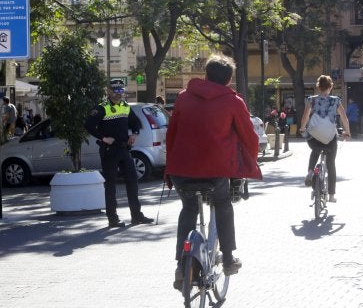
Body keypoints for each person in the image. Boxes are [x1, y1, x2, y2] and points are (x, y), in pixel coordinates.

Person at [165, 53, 262, 289]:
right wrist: (249, 159)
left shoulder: (183, 98)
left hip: (181, 168)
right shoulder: (233, 101)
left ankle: (181, 265)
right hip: (216, 169)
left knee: (188, 208)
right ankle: (228, 258)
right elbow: (249, 136)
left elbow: (172, 133)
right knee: (223, 204)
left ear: (205, 75)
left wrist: (169, 167)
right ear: (229, 80)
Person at [85, 78, 154, 228]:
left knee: (132, 181)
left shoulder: (125, 107)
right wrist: (103, 138)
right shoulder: (102, 108)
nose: (118, 93)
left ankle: (136, 216)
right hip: (110, 150)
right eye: (115, 90)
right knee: (111, 185)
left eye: (121, 90)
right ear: (108, 91)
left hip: (124, 149)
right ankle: (113, 218)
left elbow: (135, 123)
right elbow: (88, 125)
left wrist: (134, 134)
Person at [299, 75, 350, 203]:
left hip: (314, 136)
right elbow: (344, 117)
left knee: (315, 150)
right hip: (329, 138)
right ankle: (331, 195)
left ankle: (310, 171)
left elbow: (305, 116)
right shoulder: (336, 100)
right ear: (331, 86)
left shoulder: (311, 100)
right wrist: (347, 132)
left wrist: (302, 128)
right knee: (331, 164)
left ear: (318, 87)